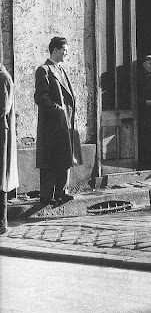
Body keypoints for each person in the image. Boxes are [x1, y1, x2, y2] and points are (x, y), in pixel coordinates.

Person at [35, 37, 82, 205]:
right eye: (64, 51)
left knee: (65, 157)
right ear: (55, 50)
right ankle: (46, 196)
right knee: (50, 159)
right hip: (52, 124)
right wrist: (58, 110)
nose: (66, 54)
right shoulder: (44, 70)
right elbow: (40, 97)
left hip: (66, 122)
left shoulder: (61, 69)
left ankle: (62, 192)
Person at [1, 60, 19, 233]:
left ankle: (2, 223)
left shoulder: (4, 78)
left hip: (1, 133)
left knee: (1, 178)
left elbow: (3, 108)